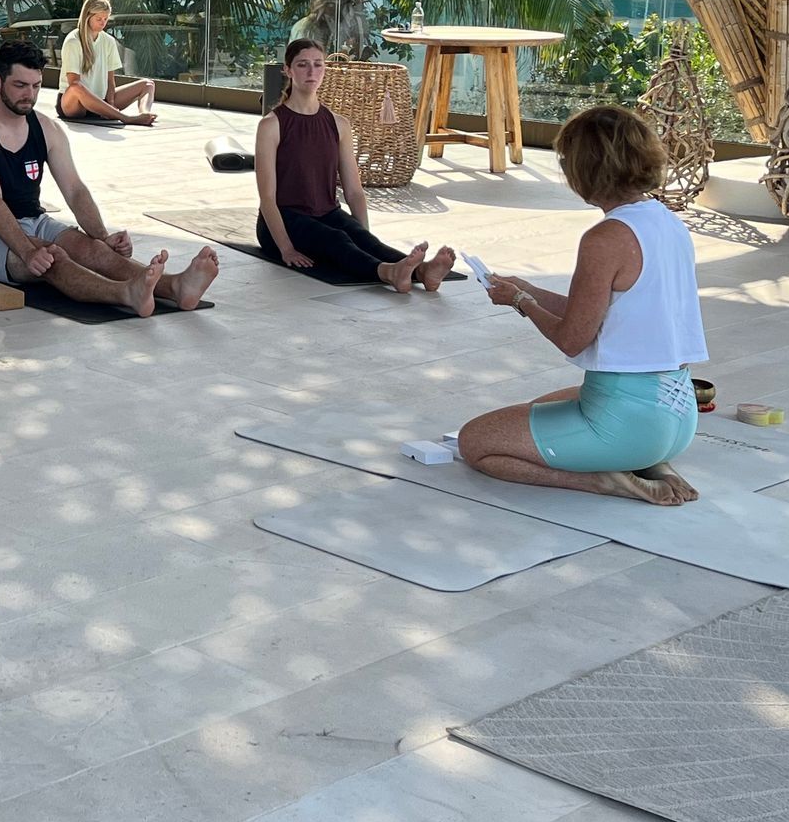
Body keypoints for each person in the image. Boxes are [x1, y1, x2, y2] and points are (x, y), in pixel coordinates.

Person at [458, 106, 707, 506]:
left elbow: (573, 338)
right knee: (540, 407)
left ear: (585, 169)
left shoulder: (606, 237)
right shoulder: (667, 221)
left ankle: (606, 480)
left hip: (627, 427)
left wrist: (521, 302)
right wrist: (529, 289)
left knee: (477, 442)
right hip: (676, 414)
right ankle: (650, 462)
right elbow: (604, 310)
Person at [0, 40, 219, 315]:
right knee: (53, 257)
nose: (29, 94)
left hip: (33, 220)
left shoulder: (45, 127)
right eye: (20, 85)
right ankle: (127, 293)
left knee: (94, 251)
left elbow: (74, 189)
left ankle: (175, 286)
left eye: (36, 86)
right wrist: (27, 251)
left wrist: (102, 236)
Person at [254, 37, 454, 291]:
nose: (311, 71)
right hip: (284, 220)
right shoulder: (272, 125)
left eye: (318, 64)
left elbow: (354, 191)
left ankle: (423, 271)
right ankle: (389, 272)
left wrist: (364, 240)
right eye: (303, 64)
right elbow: (267, 198)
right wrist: (286, 248)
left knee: (359, 237)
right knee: (336, 239)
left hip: (327, 212)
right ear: (288, 70)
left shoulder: (338, 124)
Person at [57, 0, 155, 125]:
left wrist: (111, 104)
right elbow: (73, 83)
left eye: (105, 19)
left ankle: (144, 113)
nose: (103, 23)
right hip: (74, 103)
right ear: (88, 17)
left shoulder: (108, 41)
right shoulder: (73, 41)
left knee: (148, 84)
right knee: (76, 87)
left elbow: (110, 80)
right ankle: (125, 118)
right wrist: (113, 112)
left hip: (101, 100)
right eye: (99, 19)